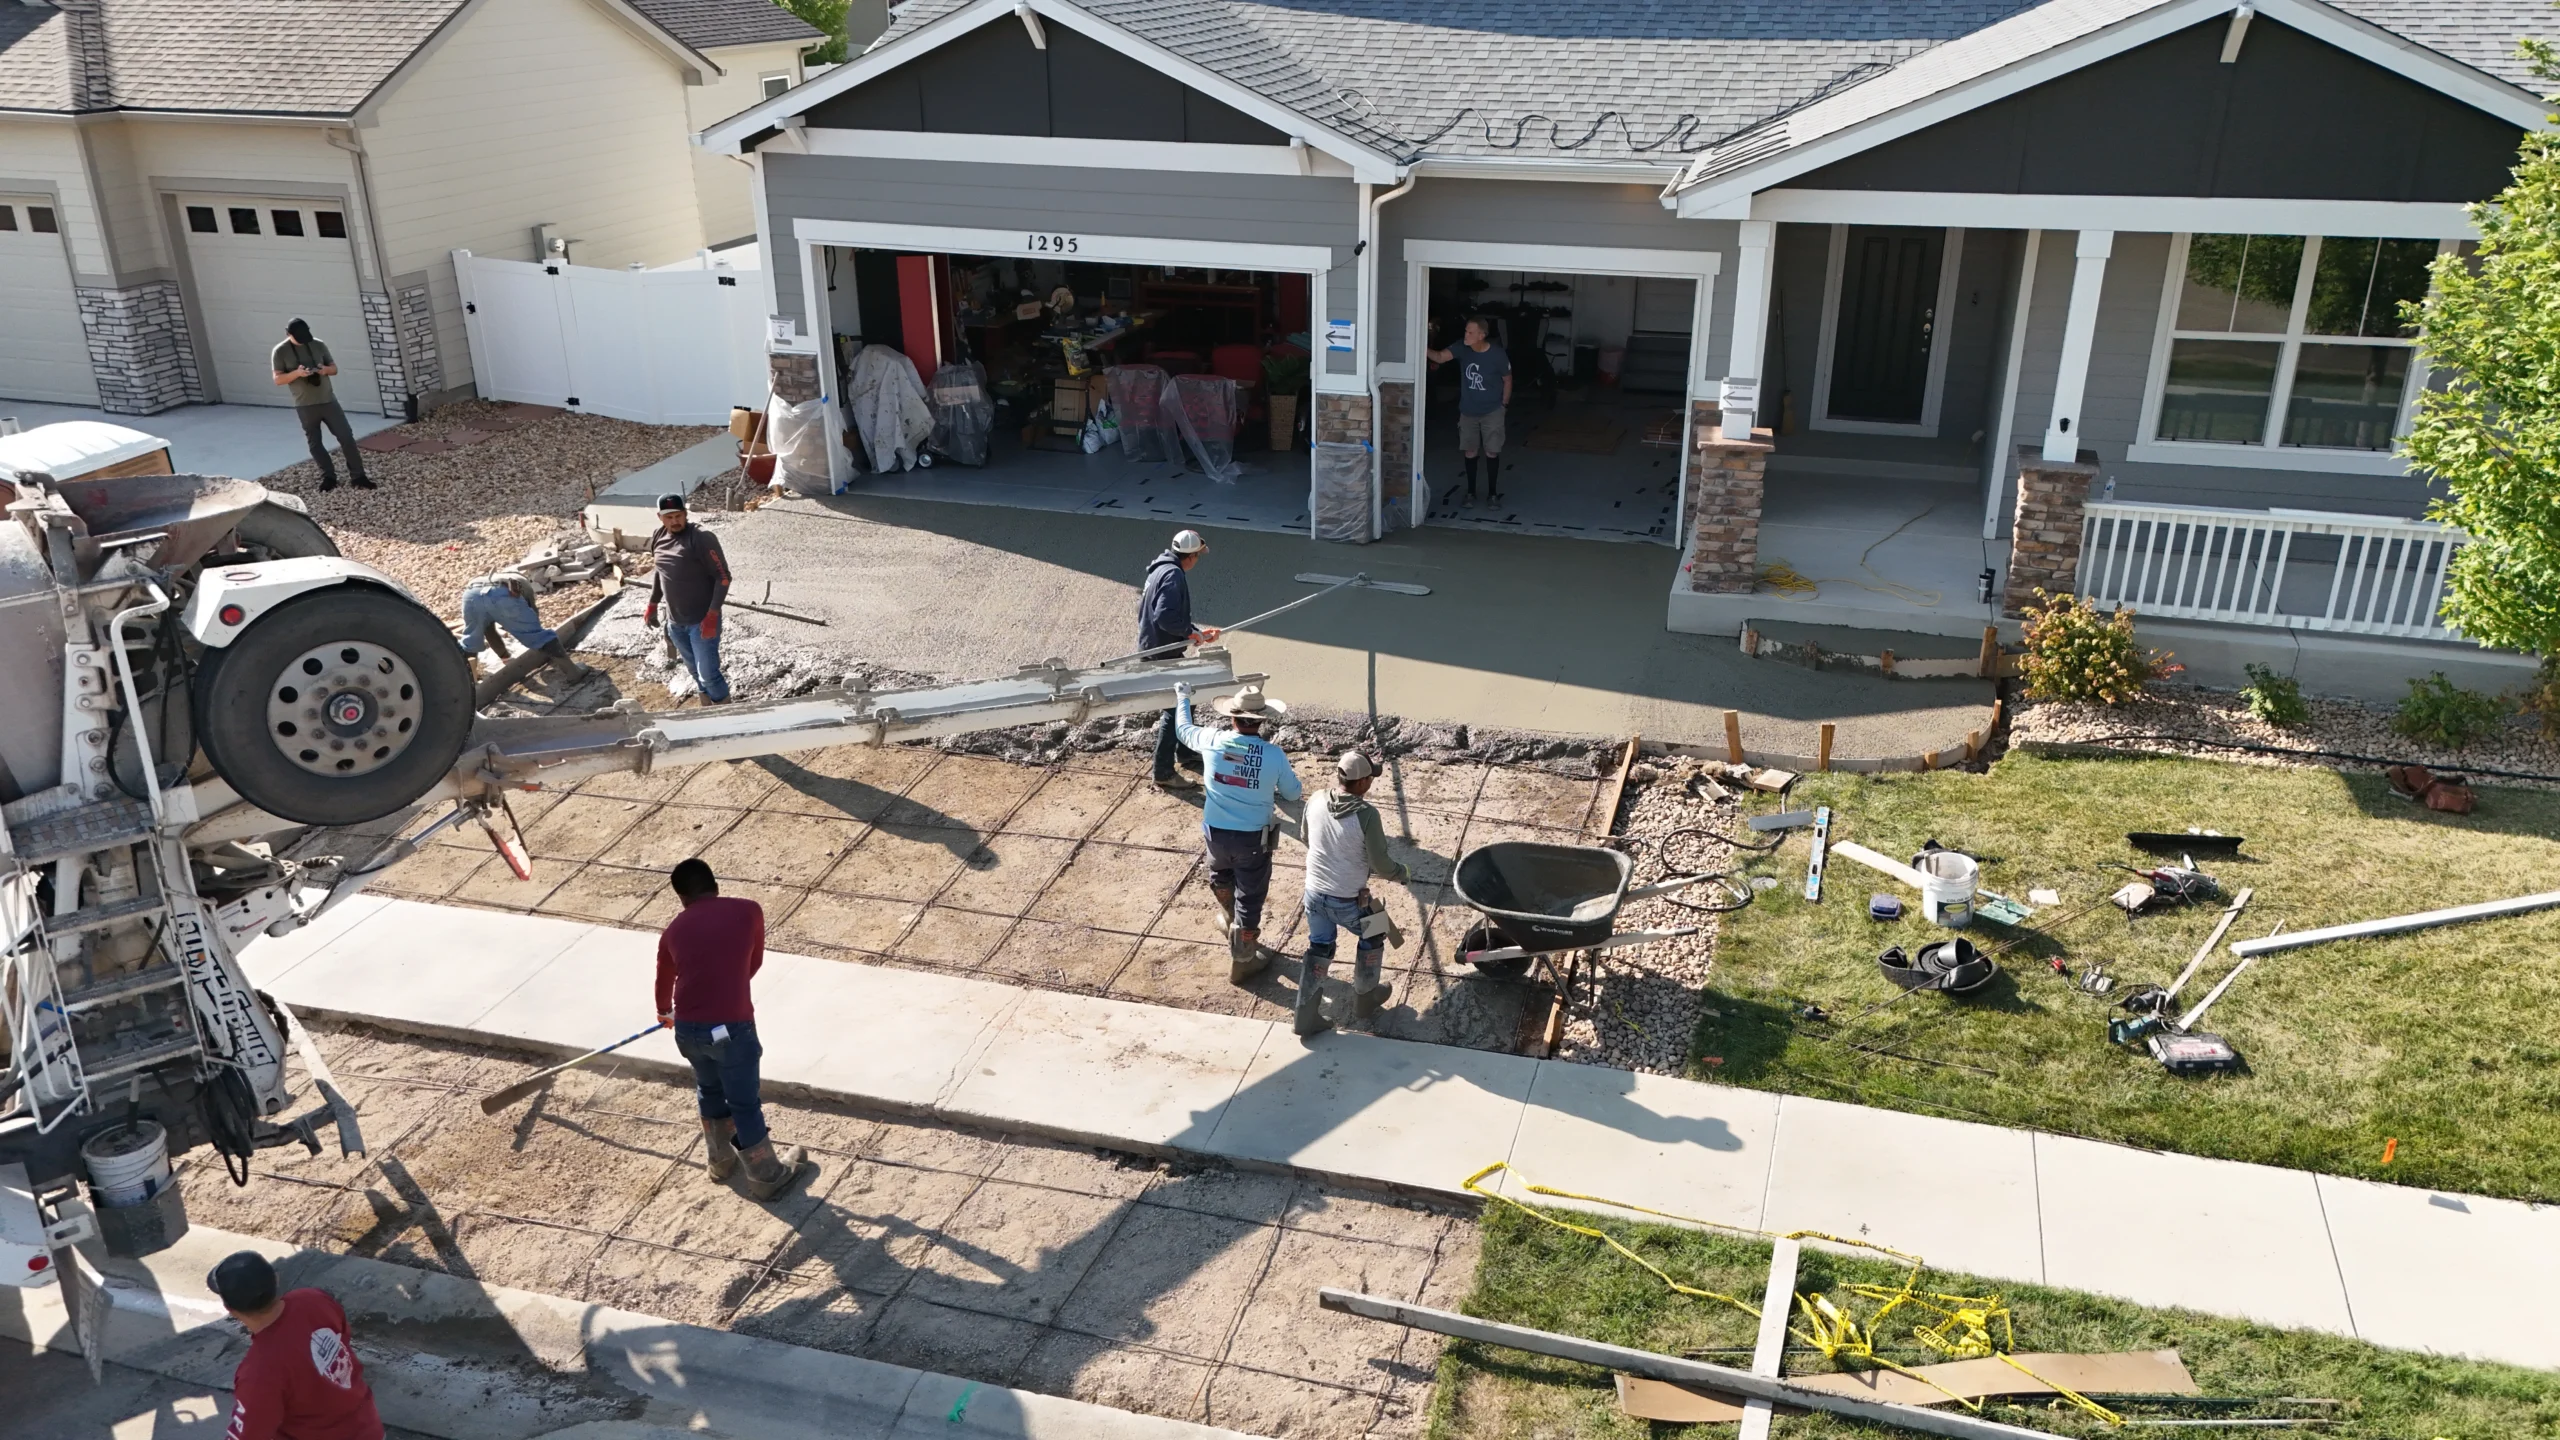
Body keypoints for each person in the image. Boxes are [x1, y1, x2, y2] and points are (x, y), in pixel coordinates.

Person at [654, 857, 809, 1200]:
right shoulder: (748, 911)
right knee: (744, 1102)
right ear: (715, 884)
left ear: (681, 897)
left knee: (708, 1088)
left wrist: (665, 1012)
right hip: (731, 1027)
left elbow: (664, 979)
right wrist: (728, 986)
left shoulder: (674, 930)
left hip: (688, 1030)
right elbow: (753, 963)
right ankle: (767, 1175)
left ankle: (721, 1162)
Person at [1172, 681, 1301, 983]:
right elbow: (1293, 795)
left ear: (1232, 717)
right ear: (1261, 721)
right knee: (1252, 894)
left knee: (1220, 875)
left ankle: (1229, 915)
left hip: (1215, 833)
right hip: (1253, 838)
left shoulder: (1212, 740)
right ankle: (1243, 958)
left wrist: (1183, 697)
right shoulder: (1273, 754)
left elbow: (1183, 729)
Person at [206, 1250, 384, 1440]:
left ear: (230, 1310)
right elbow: (343, 1337)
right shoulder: (314, 1300)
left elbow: (249, 1434)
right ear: (276, 1279)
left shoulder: (259, 1373)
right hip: (367, 1427)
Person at [1296, 750, 1412, 1036]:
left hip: (1313, 893)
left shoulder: (1315, 799)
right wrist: (1402, 873)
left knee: (1320, 946)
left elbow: (1305, 837)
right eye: (1370, 777)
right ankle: (1365, 998)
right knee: (1375, 931)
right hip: (1346, 900)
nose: (1372, 781)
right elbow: (1381, 864)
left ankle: (1305, 1016)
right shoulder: (1367, 815)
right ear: (1361, 783)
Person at [1139, 530, 1221, 790]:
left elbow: (1162, 614)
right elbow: (1165, 616)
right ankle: (1163, 771)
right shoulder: (1174, 576)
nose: (1197, 561)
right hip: (1162, 651)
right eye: (1197, 556)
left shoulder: (1159, 569)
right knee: (1175, 707)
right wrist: (1188, 633)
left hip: (1155, 646)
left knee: (1189, 699)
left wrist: (1194, 633)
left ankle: (1185, 753)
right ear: (1191, 556)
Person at [644, 493, 732, 704]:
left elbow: (723, 578)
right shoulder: (658, 536)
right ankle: (707, 711)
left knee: (709, 675)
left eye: (678, 515)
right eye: (669, 517)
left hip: (702, 622)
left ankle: (729, 717)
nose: (674, 521)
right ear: (660, 517)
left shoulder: (701, 537)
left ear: (685, 514)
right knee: (694, 672)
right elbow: (661, 571)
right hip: (675, 623)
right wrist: (653, 603)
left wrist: (712, 615)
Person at [272, 318, 373, 492]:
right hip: (305, 405)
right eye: (299, 338)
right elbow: (278, 379)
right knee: (315, 443)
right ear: (288, 334)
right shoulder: (280, 351)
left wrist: (324, 370)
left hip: (328, 401)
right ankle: (328, 477)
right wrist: (297, 373)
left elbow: (334, 368)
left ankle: (358, 477)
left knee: (346, 437)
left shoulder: (318, 345)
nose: (304, 340)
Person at [457, 562, 591, 684]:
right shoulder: (522, 583)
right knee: (539, 636)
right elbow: (532, 615)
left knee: (471, 639)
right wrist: (538, 641)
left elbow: (488, 631)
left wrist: (505, 657)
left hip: (471, 595)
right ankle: (574, 673)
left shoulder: (484, 580)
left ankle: (469, 684)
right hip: (502, 594)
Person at [1426, 317, 1511, 506]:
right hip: (1468, 411)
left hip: (1492, 410)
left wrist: (1503, 405)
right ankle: (1471, 492)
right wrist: (1422, 346)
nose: (1466, 335)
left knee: (1492, 452)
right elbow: (1440, 357)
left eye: (1470, 332)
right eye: (1465, 331)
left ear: (1482, 335)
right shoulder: (1461, 347)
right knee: (1470, 451)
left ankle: (1492, 494)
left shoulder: (1497, 354)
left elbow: (1507, 379)